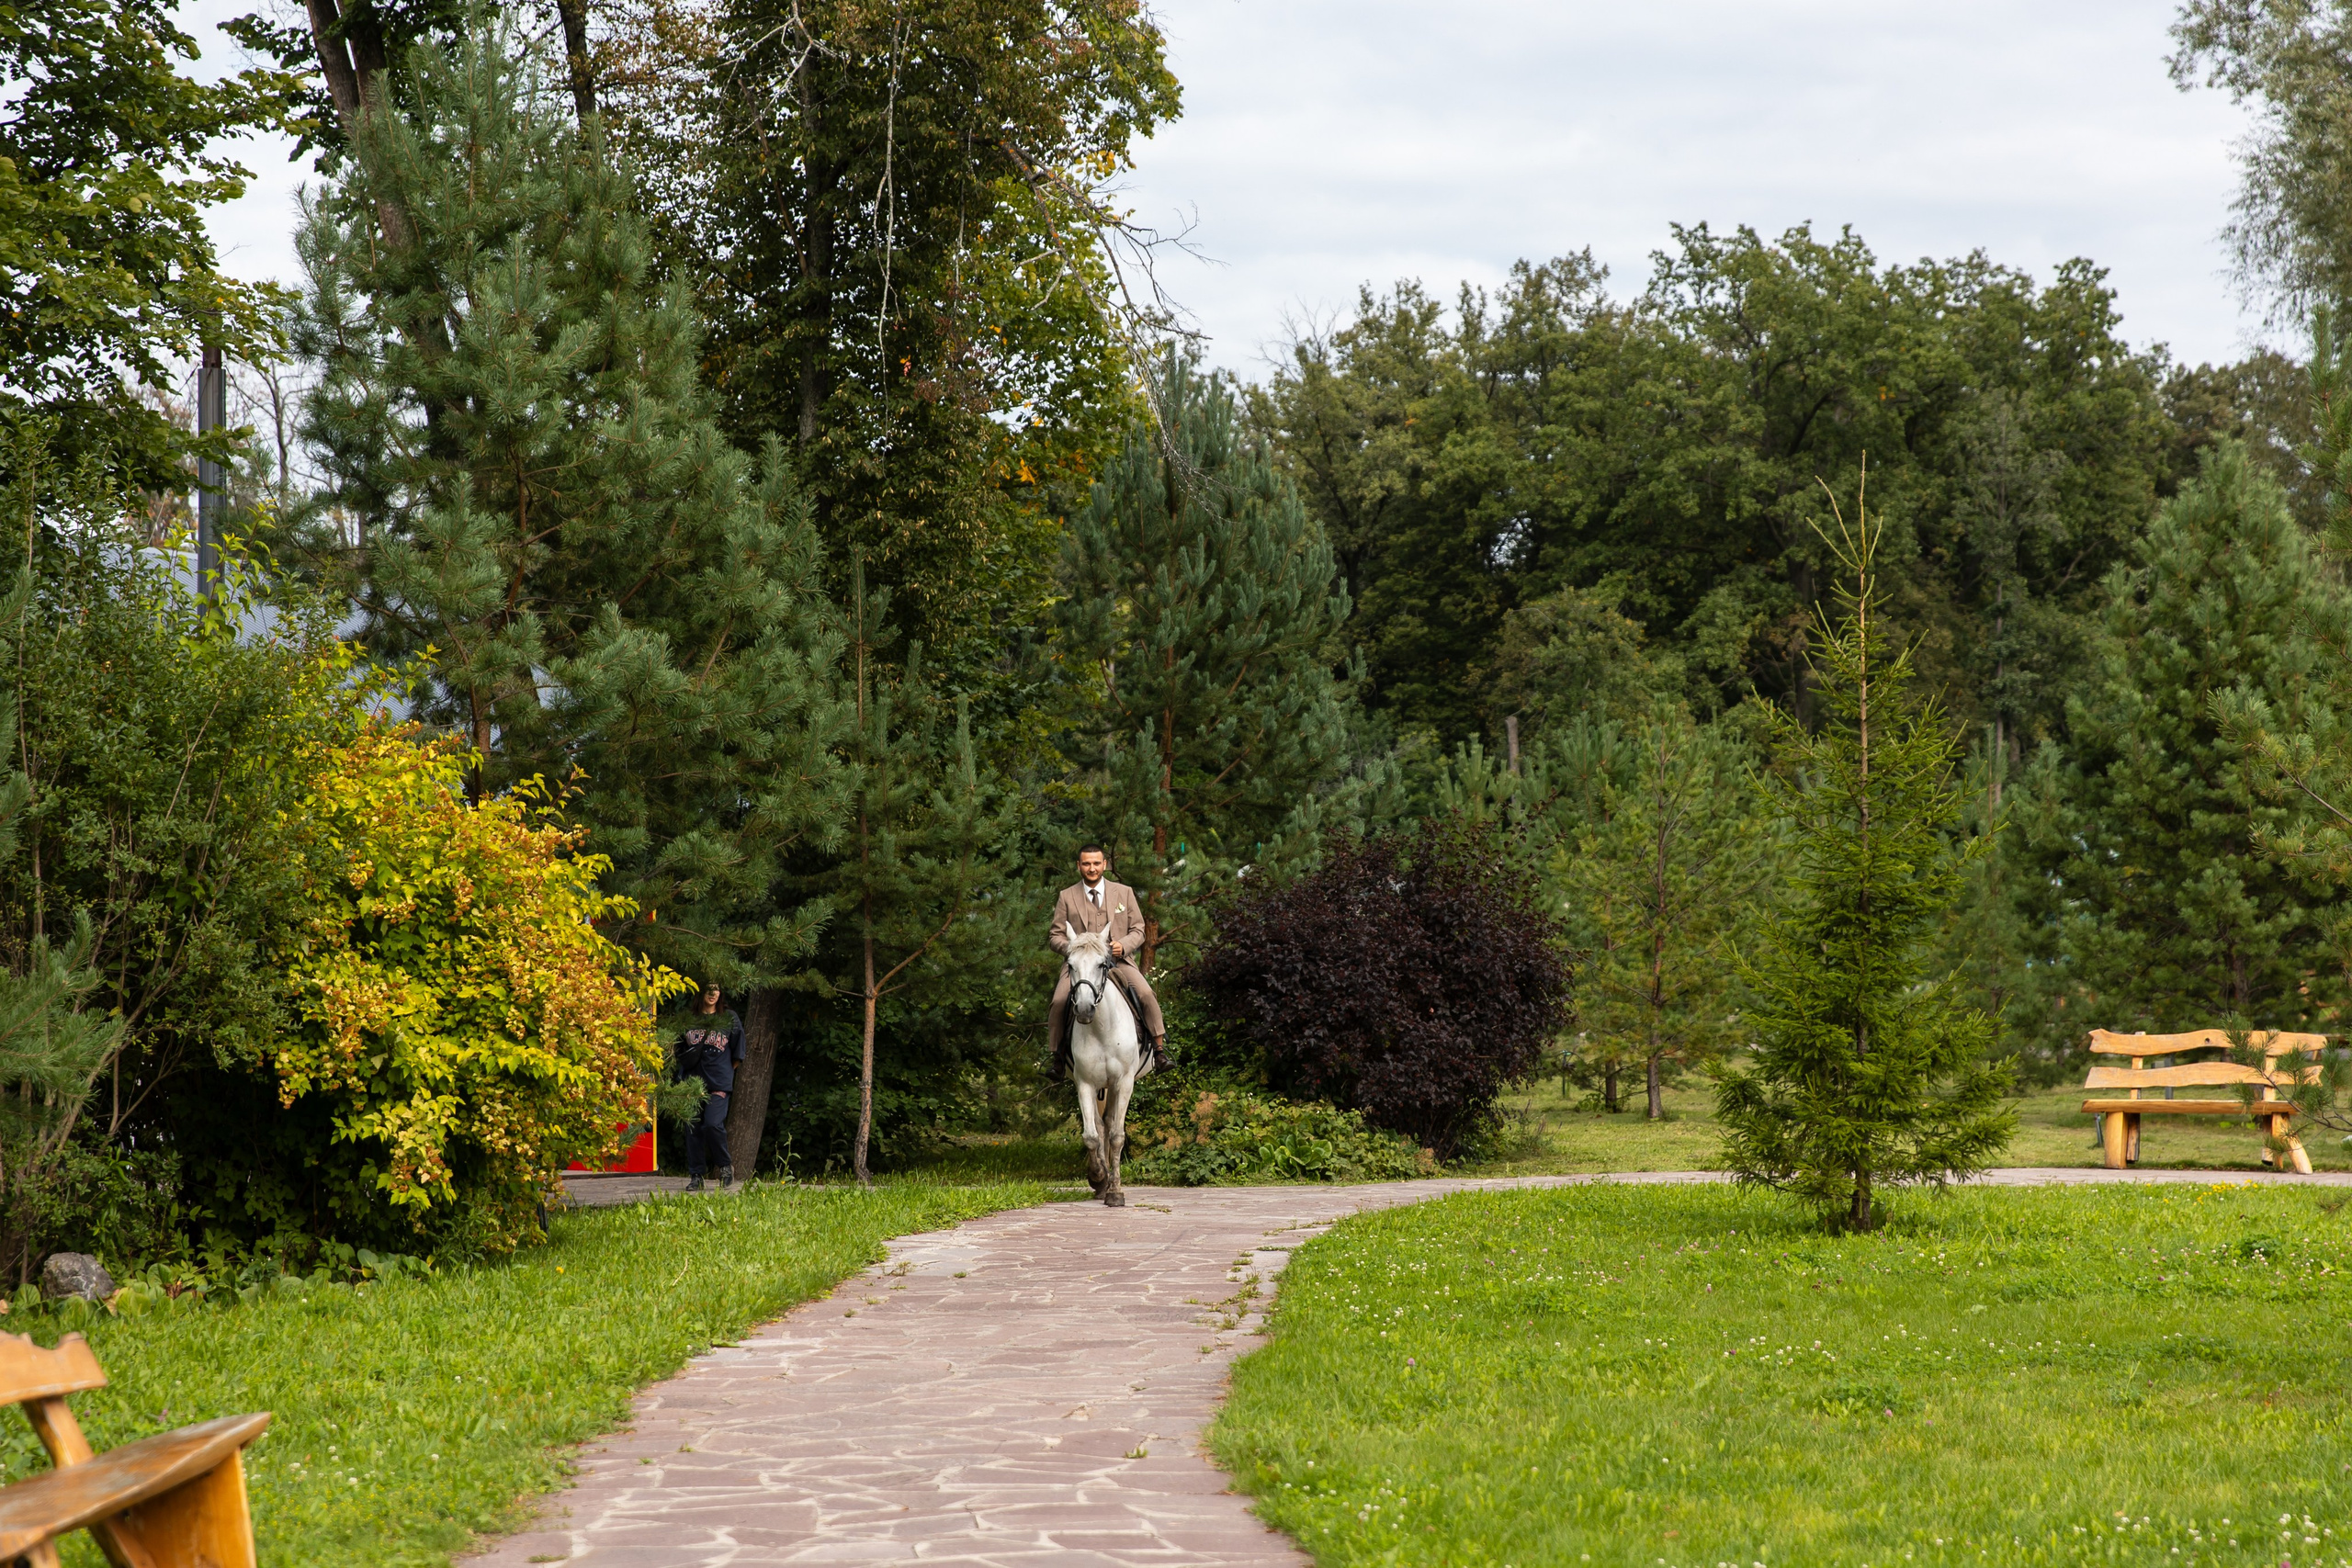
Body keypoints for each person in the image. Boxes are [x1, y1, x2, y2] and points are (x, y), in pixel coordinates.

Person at [1046, 845, 1169, 1075]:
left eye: (1096, 863)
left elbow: (1139, 929)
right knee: (1059, 1001)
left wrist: (1124, 946)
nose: (1091, 868)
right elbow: (1055, 936)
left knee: (1146, 994)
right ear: (1078, 866)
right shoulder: (1067, 896)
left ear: (1105, 865)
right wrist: (1072, 948)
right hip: (1081, 964)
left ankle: (1160, 1051)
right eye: (1086, 864)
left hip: (1118, 960)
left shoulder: (1124, 892)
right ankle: (1057, 1057)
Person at [678, 983, 743, 1191]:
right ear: (699, 991)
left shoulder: (729, 1018)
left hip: (719, 1083)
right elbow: (679, 1051)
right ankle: (696, 1175)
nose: (712, 993)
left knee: (713, 1124)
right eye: (708, 988)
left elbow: (738, 1054)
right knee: (693, 1129)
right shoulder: (688, 1018)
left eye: (716, 989)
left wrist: (725, 1073)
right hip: (692, 1083)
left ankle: (725, 1166)